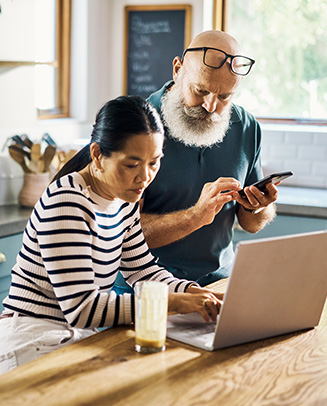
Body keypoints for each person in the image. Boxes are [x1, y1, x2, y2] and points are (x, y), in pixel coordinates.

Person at [0, 96, 222, 374]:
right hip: (31, 339)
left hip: (71, 337)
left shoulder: (123, 200)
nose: (145, 177)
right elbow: (82, 309)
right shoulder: (67, 202)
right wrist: (173, 302)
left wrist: (191, 291)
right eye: (132, 165)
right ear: (97, 155)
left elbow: (144, 272)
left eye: (154, 162)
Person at [114, 30, 278, 291]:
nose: (211, 106)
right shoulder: (135, 124)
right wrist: (195, 217)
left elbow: (251, 224)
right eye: (201, 90)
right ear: (178, 70)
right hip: (146, 289)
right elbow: (119, 235)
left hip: (219, 285)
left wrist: (257, 207)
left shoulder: (247, 127)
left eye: (225, 96)